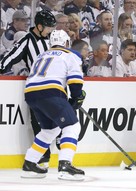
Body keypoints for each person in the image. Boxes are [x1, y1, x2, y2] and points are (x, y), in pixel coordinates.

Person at [21, 30, 86, 180]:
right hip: (50, 93)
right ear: (67, 43)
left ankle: (30, 163)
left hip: (31, 94)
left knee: (50, 130)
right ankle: (65, 165)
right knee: (72, 126)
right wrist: (77, 96)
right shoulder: (71, 55)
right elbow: (75, 80)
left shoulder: (41, 55)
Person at [0, 10, 56, 168]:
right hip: (37, 88)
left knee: (58, 121)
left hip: (56, 86)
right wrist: (1, 67)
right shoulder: (27, 39)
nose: (50, 30)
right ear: (39, 26)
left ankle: (47, 153)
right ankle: (41, 155)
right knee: (39, 121)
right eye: (48, 27)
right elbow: (11, 56)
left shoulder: (51, 39)